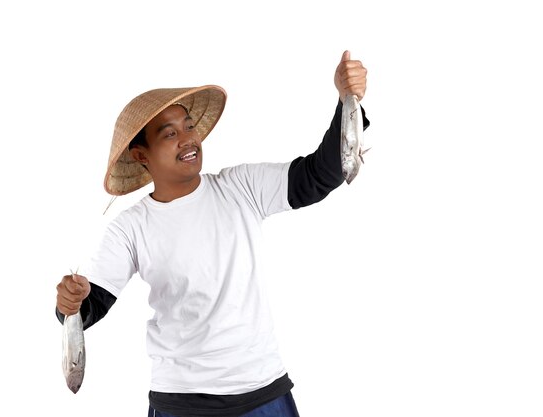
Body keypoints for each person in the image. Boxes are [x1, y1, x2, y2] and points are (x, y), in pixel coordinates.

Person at [56, 50, 370, 417]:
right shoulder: (131, 227)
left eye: (189, 127)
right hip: (180, 401)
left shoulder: (241, 187)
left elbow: (320, 175)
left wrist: (346, 100)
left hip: (262, 392)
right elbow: (89, 306)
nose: (187, 139)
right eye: (169, 133)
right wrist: (69, 304)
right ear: (142, 156)